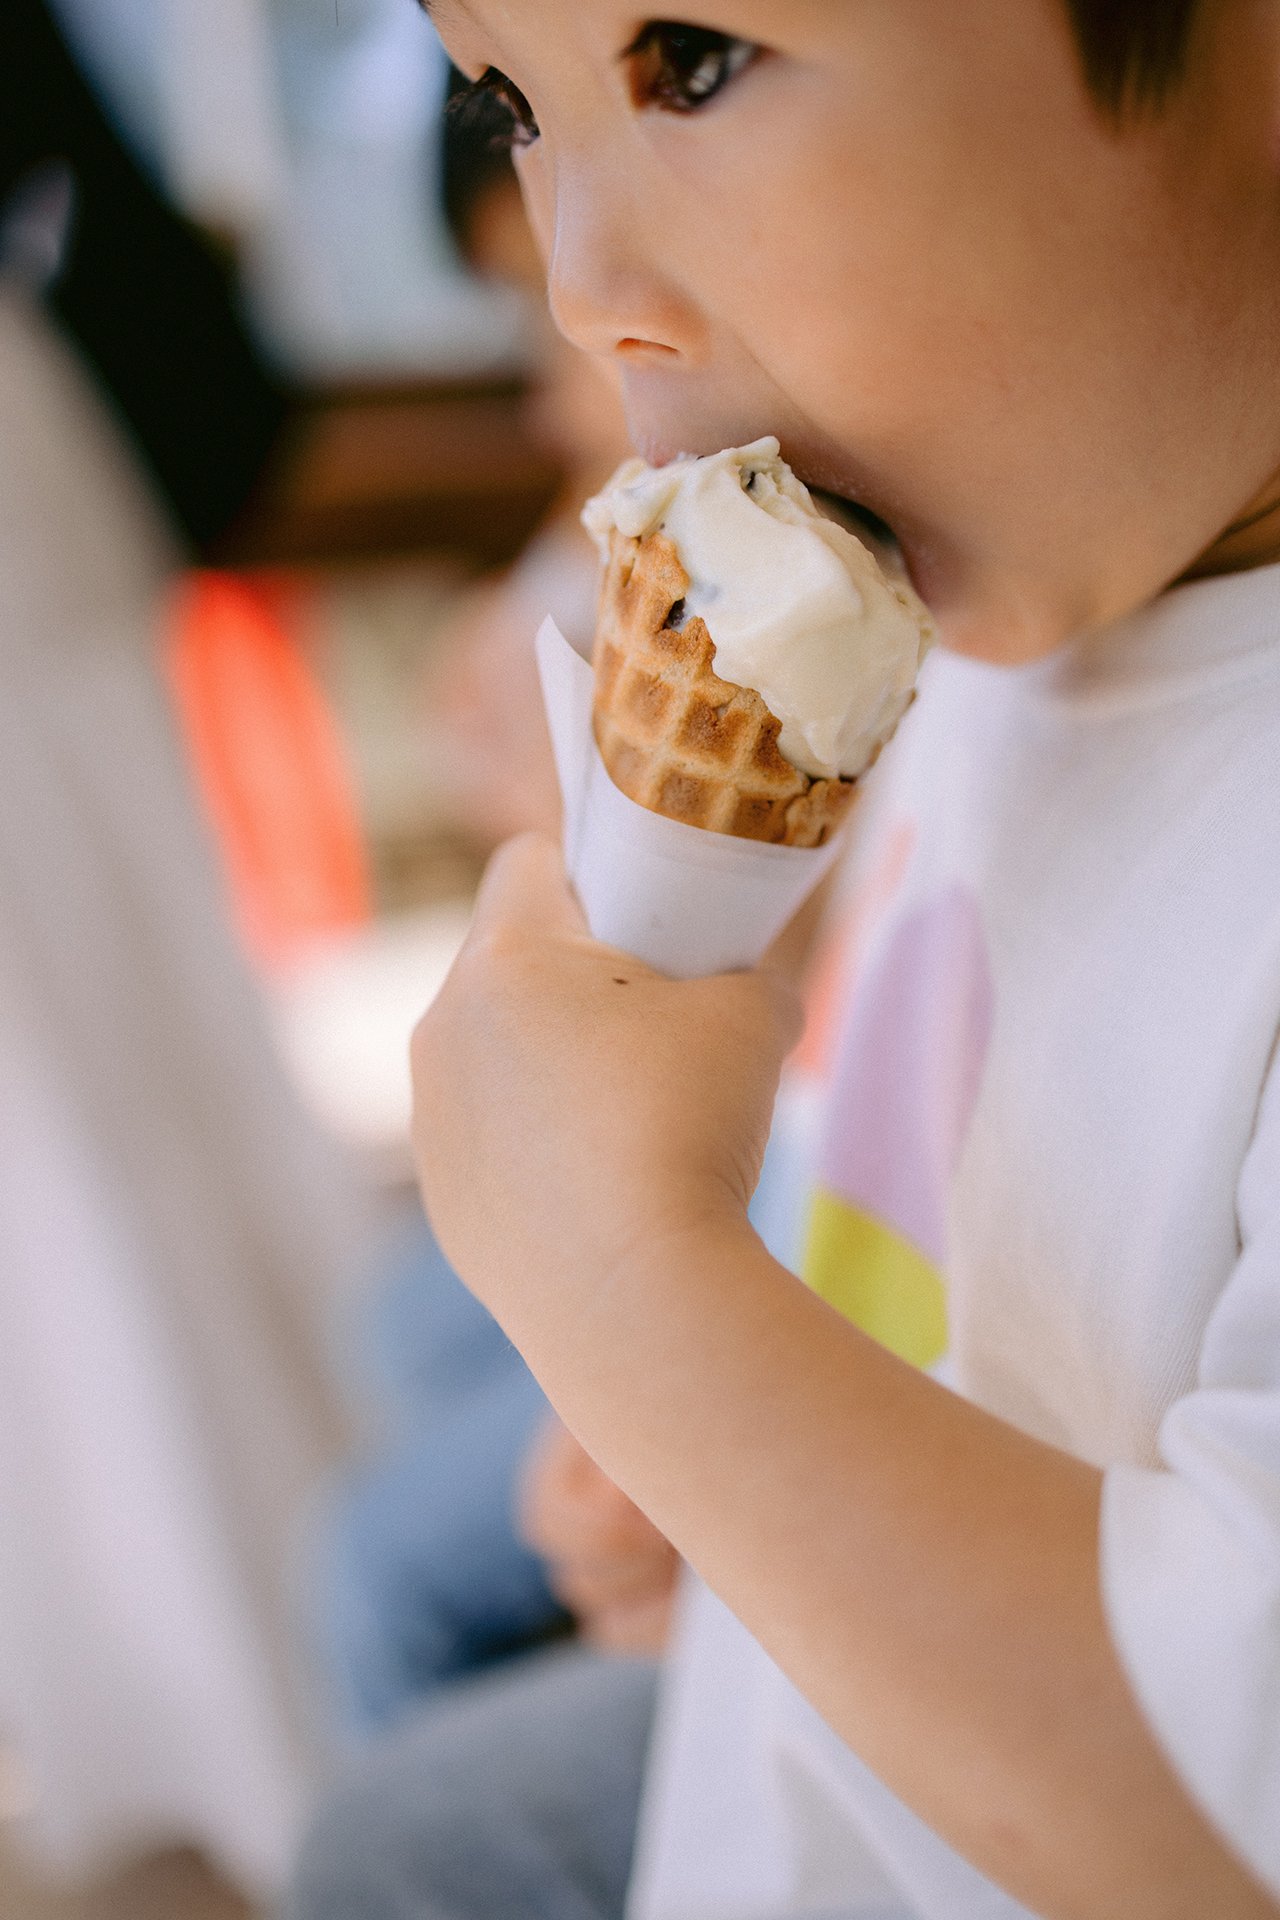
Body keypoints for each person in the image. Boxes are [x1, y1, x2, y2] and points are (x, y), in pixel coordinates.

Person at [296, 3, 1280, 1918]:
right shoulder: (1003, 623)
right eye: (510, 100)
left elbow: (1227, 1799)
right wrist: (748, 1479)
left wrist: (630, 1294)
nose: (583, 290)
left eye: (692, 62)